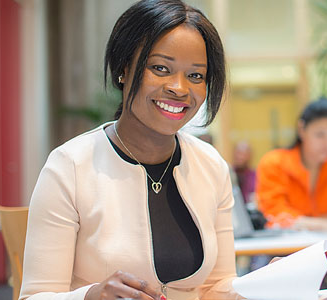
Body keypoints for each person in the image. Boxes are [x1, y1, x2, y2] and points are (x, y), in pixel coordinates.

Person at [20, 1, 241, 299]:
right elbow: (35, 296)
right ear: (124, 68)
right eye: (160, 68)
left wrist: (269, 284)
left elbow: (218, 287)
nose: (179, 88)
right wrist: (91, 296)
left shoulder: (211, 165)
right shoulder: (70, 166)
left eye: (196, 76)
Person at [256, 97, 327, 231]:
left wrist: (304, 223)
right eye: (320, 135)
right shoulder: (274, 163)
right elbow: (273, 213)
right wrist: (325, 224)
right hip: (289, 249)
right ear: (301, 129)